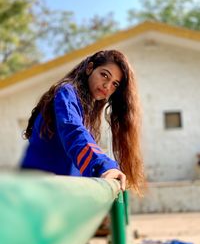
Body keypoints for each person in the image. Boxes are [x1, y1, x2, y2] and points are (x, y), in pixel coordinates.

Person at [21, 50, 145, 193]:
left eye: (115, 84)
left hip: (59, 191)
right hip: (38, 189)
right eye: (104, 75)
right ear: (90, 68)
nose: (107, 86)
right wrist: (104, 167)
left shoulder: (86, 109)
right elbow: (74, 132)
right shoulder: (66, 93)